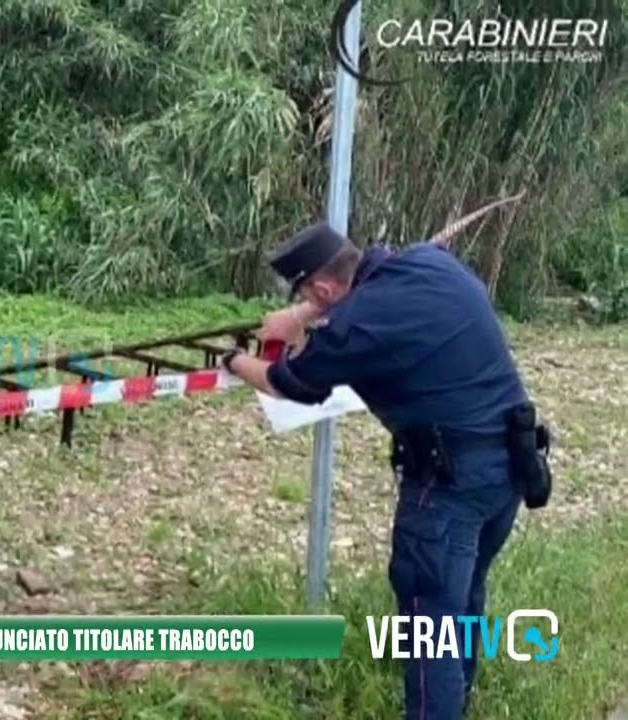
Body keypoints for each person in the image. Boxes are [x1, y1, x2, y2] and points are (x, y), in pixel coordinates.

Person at [221, 222, 551, 720]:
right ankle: (458, 703)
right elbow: (351, 295)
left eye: (309, 294)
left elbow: (288, 382)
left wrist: (234, 360)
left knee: (428, 628)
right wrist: (301, 312)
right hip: (508, 470)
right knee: (462, 603)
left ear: (324, 288)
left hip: (447, 487)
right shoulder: (426, 261)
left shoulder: (354, 327)